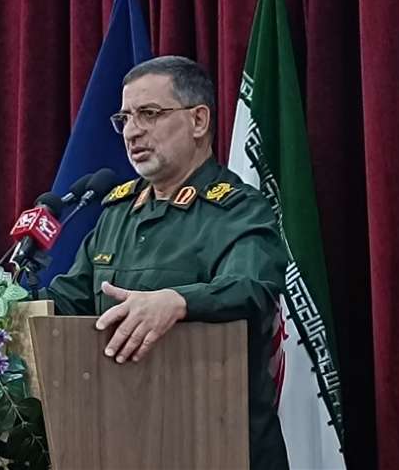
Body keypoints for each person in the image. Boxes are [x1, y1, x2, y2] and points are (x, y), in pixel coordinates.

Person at [47, 56, 289, 469]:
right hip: (121, 442)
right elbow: (67, 303)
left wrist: (177, 302)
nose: (132, 131)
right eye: (125, 118)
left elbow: (252, 289)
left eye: (149, 114)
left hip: (220, 445)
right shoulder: (118, 214)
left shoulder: (239, 210)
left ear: (198, 121)